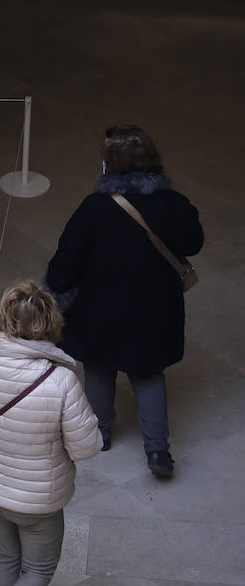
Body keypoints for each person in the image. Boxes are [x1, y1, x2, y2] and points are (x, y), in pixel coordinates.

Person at [43, 125, 204, 478]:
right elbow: (194, 242)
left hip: (100, 313)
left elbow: (68, 259)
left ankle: (99, 434)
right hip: (154, 313)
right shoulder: (175, 205)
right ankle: (158, 450)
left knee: (99, 369)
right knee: (148, 375)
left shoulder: (95, 209)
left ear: (109, 166)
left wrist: (56, 293)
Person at [0, 282, 101, 586]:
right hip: (38, 500)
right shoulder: (61, 381)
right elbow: (85, 448)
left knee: (3, 556)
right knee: (37, 570)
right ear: (51, 323)